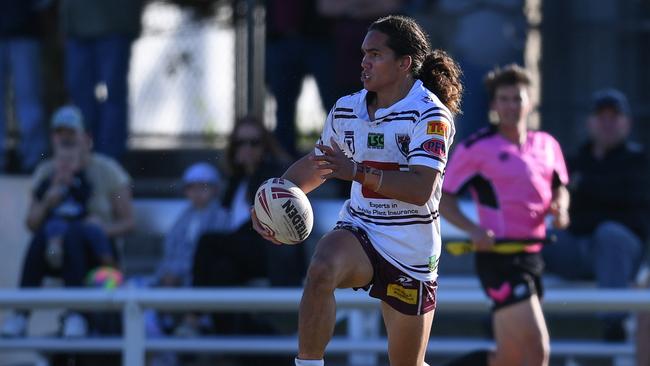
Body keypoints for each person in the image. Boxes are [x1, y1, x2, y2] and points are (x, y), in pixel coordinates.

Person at [252, 15, 463, 366]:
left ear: (404, 63)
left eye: (375, 54)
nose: (364, 61)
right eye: (364, 53)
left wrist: (357, 172)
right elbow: (317, 164)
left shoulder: (430, 115)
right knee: (320, 270)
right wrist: (268, 203)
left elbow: (420, 189)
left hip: (411, 247)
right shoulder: (347, 108)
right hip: (361, 228)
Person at [439, 64, 569, 366]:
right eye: (504, 99)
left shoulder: (547, 145)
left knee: (507, 358)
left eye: (518, 98)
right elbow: (444, 199)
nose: (511, 106)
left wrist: (561, 207)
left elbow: (561, 187)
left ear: (531, 101)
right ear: (494, 104)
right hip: (499, 258)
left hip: (533, 256)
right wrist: (473, 230)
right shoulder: (477, 148)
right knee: (537, 351)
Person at [0, 105, 134, 338]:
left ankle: (77, 314)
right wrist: (47, 202)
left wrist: (100, 228)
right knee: (43, 234)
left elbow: (129, 222)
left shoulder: (109, 170)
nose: (66, 139)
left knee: (75, 233)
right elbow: (31, 224)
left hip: (100, 255)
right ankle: (21, 315)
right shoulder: (45, 172)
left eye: (72, 133)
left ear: (86, 138)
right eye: (60, 133)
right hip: (55, 249)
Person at [542, 88, 650, 341]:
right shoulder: (573, 162)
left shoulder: (640, 161)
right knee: (533, 239)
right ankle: (506, 315)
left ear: (627, 123)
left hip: (620, 255)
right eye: (602, 116)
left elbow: (632, 202)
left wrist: (586, 188)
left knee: (610, 234)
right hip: (577, 247)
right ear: (589, 122)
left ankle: (613, 327)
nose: (607, 123)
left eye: (615, 117)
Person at [60, 0, 144, 161]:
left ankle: (109, 159)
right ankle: (83, 155)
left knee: (113, 95)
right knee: (80, 96)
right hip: (77, 25)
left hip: (115, 23)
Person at [152, 162, 229, 336]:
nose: (197, 193)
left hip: (199, 278)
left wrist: (177, 272)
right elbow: (170, 250)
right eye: (191, 188)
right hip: (175, 276)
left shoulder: (221, 217)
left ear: (215, 189)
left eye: (203, 188)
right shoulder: (184, 217)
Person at [266, 0, 337, 157]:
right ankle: (284, 163)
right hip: (280, 39)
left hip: (319, 37)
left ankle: (339, 157)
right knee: (283, 106)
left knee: (333, 103)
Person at [0, 0, 49, 173]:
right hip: (25, 29)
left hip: (25, 30)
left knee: (29, 100)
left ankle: (34, 159)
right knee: (29, 100)